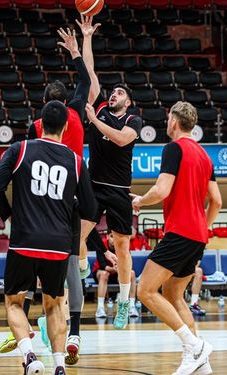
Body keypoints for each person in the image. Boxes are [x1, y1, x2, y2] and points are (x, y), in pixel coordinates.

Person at [0, 100, 96, 375]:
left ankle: (30, 356)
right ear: (66, 127)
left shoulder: (20, 148)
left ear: (40, 123)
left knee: (14, 302)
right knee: (54, 304)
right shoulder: (74, 160)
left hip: (24, 239)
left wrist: (9, 216)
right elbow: (91, 209)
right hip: (59, 244)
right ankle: (59, 365)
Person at [132, 101, 221, 375]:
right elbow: (216, 201)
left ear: (174, 121)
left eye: (168, 117)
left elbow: (161, 190)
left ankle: (194, 345)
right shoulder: (205, 156)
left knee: (144, 290)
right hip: (197, 236)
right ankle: (200, 362)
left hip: (180, 232)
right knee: (173, 294)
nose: (166, 122)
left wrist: (139, 201)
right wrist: (202, 229)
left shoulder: (174, 148)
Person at [77, 15, 143, 330]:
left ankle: (124, 301)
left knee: (122, 246)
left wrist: (94, 121)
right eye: (112, 92)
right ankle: (70, 292)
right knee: (77, 234)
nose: (113, 95)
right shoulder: (100, 107)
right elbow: (89, 74)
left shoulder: (133, 121)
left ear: (128, 102)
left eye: (119, 93)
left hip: (117, 189)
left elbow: (119, 139)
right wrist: (86, 36)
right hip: (92, 184)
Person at [88, 229, 139, 318]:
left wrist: (121, 269)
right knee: (104, 274)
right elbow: (103, 265)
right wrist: (115, 268)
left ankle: (131, 306)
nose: (113, 239)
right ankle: (100, 308)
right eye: (111, 236)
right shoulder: (102, 244)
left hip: (118, 273)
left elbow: (127, 265)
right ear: (107, 237)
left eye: (115, 236)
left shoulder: (123, 244)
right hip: (102, 272)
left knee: (131, 273)